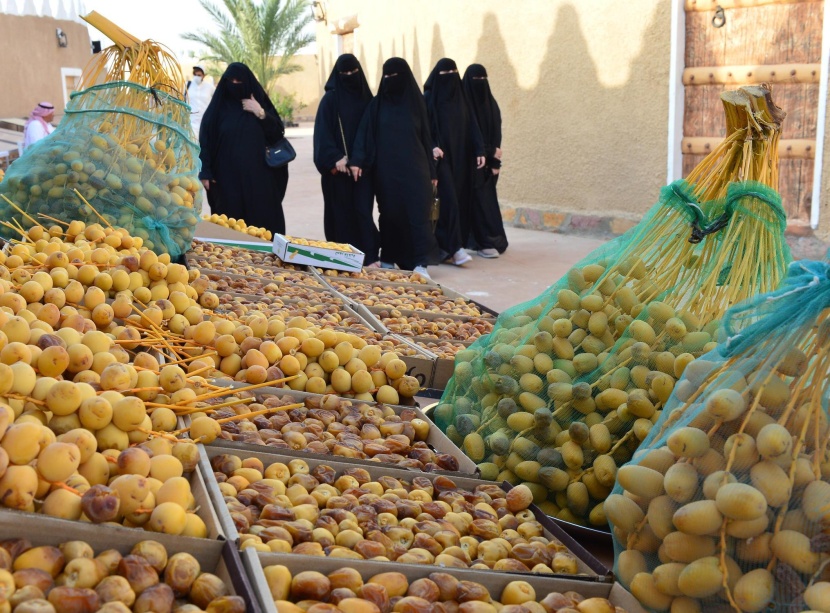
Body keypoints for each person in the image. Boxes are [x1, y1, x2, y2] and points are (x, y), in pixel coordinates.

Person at [350, 57, 440, 278]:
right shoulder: (377, 105)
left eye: (395, 76)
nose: (390, 80)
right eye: (387, 76)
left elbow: (426, 138)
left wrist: (432, 171)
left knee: (418, 215)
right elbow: (365, 134)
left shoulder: (417, 103)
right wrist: (357, 160)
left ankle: (421, 263)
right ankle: (389, 257)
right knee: (390, 215)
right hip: (386, 172)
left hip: (416, 170)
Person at [198, 62, 289, 235]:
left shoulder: (258, 103)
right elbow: (205, 141)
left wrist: (260, 112)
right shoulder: (218, 109)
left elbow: (277, 133)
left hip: (260, 180)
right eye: (231, 81)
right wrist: (205, 172)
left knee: (263, 227)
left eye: (239, 81)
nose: (235, 85)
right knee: (231, 228)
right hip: (227, 182)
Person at [313, 54, 379, 264]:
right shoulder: (330, 100)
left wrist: (361, 161)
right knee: (340, 215)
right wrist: (335, 159)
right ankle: (342, 258)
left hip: (362, 171)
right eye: (345, 73)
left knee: (363, 212)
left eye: (353, 72)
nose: (350, 76)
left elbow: (372, 135)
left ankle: (369, 256)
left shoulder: (367, 99)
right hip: (337, 173)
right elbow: (322, 135)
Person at [424, 58, 485, 266]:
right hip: (441, 160)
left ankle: (447, 248)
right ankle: (456, 248)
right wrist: (432, 146)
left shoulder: (462, 96)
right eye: (445, 74)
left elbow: (472, 123)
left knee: (458, 201)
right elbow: (423, 127)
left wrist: (479, 148)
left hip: (462, 157)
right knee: (448, 200)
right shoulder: (429, 98)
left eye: (453, 73)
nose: (450, 78)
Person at [463, 64, 508, 257]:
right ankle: (478, 242)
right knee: (472, 205)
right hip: (467, 162)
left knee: (485, 204)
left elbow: (496, 134)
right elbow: (464, 135)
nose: (480, 83)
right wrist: (489, 151)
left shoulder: (491, 104)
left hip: (487, 165)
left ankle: (488, 241)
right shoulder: (462, 106)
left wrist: (495, 162)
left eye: (483, 79)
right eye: (476, 80)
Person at [187, 66, 215, 139]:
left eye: (199, 75)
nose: (197, 77)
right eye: (195, 75)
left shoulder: (210, 87)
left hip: (206, 121)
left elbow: (216, 100)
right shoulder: (187, 85)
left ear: (203, 75)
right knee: (192, 141)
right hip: (191, 121)